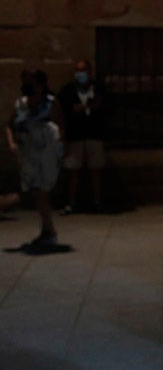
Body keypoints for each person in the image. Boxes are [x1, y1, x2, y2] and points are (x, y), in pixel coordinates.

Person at [6, 70, 64, 247]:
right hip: (28, 152)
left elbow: (61, 127)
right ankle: (48, 230)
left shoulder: (50, 103)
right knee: (36, 191)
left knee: (40, 191)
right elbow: (9, 125)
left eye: (31, 83)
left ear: (40, 85)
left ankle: (49, 231)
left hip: (45, 152)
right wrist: (11, 144)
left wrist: (59, 151)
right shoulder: (21, 104)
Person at [57, 59, 106, 214]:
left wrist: (95, 107)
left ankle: (97, 202)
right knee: (73, 171)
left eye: (83, 71)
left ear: (89, 72)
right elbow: (60, 110)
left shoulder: (98, 89)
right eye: (77, 71)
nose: (80, 74)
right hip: (75, 135)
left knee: (95, 170)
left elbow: (108, 107)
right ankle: (71, 203)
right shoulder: (68, 91)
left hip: (94, 134)